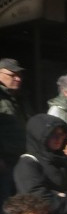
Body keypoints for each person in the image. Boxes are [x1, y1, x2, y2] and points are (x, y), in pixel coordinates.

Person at [0, 58, 28, 204]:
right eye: (13, 74)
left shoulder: (16, 98)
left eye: (20, 75)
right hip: (5, 162)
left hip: (18, 160)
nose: (18, 78)